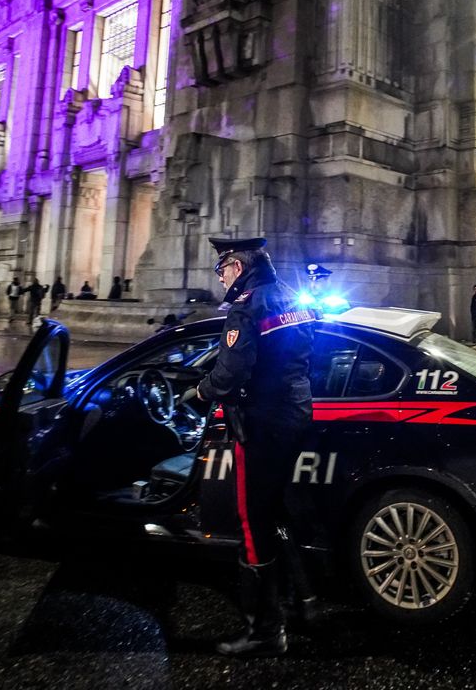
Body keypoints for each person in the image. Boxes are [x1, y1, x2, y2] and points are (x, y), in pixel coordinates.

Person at [184, 236, 315, 657]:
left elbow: (228, 376)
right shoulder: (292, 297)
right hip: (295, 410)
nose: (220, 279)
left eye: (221, 270)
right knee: (275, 508)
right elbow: (308, 345)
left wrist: (200, 393)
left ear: (237, 268)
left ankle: (263, 631)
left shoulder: (246, 307)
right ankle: (302, 602)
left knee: (252, 520)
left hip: (260, 421)